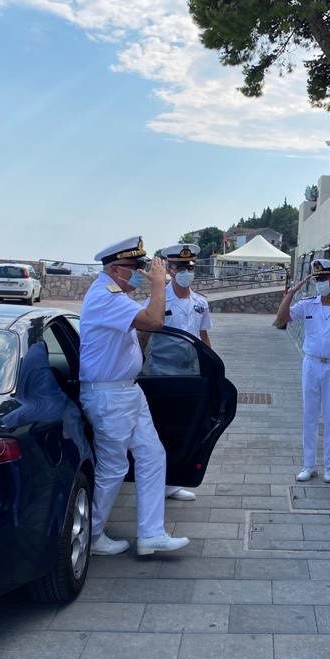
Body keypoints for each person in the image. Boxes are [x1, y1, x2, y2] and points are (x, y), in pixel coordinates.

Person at [79, 235, 190, 557]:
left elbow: (143, 324)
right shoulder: (105, 296)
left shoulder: (113, 295)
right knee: (113, 467)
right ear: (116, 270)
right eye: (133, 267)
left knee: (153, 455)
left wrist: (157, 290)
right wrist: (158, 285)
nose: (139, 273)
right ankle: (92, 534)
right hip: (110, 396)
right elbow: (153, 322)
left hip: (127, 391)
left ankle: (151, 534)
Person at [274, 258, 330, 484]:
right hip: (311, 364)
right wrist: (291, 292)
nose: (319, 283)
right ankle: (309, 464)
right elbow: (281, 318)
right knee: (310, 415)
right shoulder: (308, 304)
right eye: (317, 279)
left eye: (323, 279)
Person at [142, 242, 214, 501]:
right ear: (170, 269)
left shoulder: (200, 303)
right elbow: (143, 335)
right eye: (180, 267)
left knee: (185, 428)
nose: (186, 271)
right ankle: (155, 484)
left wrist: (212, 367)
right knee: (162, 430)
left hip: (191, 375)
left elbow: (203, 336)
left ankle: (172, 482)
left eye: (189, 267)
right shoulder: (158, 300)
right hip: (161, 374)